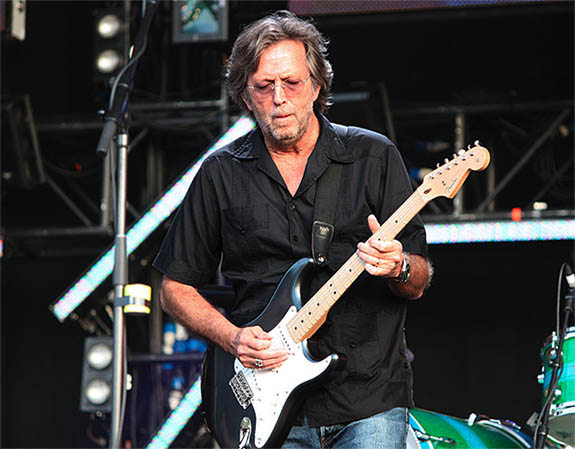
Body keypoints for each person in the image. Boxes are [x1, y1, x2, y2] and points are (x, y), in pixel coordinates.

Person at [153, 10, 432, 449]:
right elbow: (175, 288)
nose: (279, 98)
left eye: (292, 83)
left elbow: (418, 278)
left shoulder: (372, 156)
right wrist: (233, 337)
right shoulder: (220, 173)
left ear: (317, 87)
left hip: (368, 397)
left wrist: (399, 267)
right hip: (266, 406)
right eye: (263, 86)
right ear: (246, 97)